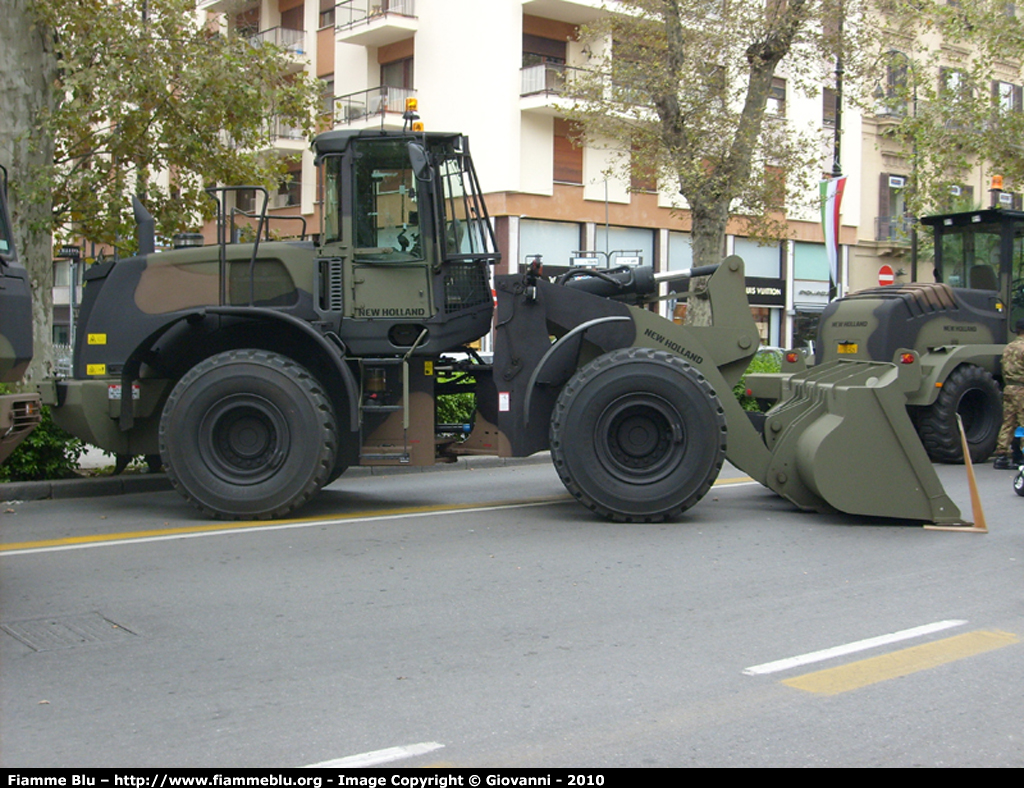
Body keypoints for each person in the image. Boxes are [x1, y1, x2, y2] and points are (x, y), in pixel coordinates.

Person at [993, 317, 1024, 469]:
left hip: (1009, 388)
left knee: (1008, 423)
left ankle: (1001, 456)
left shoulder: (1009, 347)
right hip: (1022, 390)